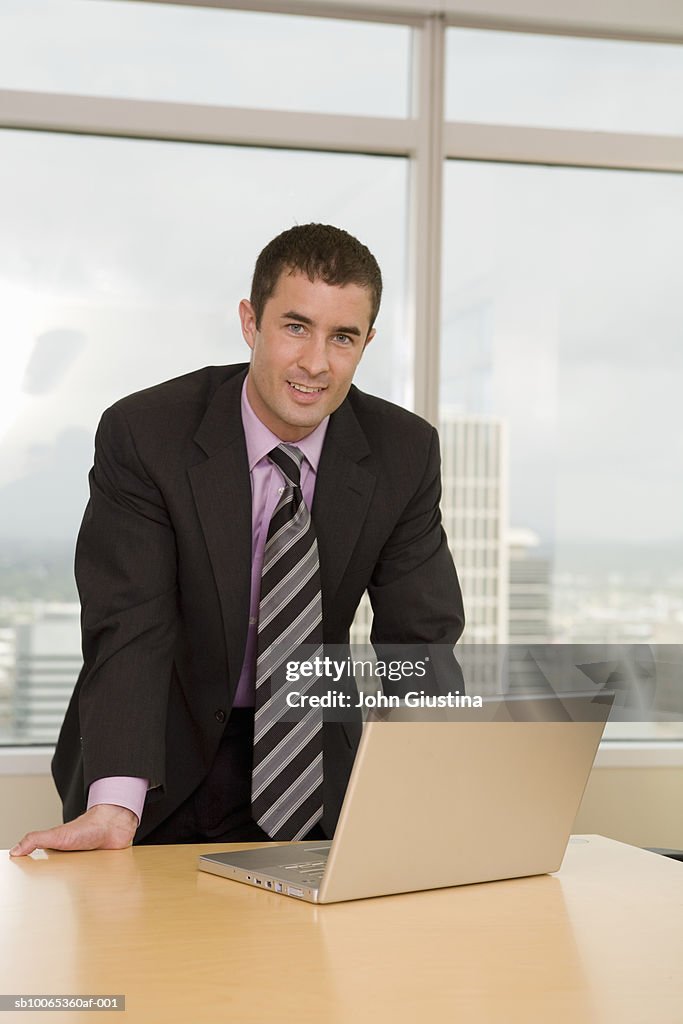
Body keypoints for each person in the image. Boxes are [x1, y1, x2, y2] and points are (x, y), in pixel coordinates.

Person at [10, 223, 464, 857]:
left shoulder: (403, 451)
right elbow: (131, 625)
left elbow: (420, 640)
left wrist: (429, 794)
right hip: (158, 758)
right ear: (251, 323)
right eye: (295, 327)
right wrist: (115, 802)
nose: (315, 363)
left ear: (367, 342)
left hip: (312, 765)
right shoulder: (147, 434)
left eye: (343, 337)